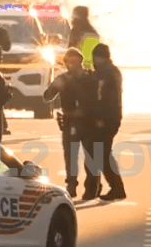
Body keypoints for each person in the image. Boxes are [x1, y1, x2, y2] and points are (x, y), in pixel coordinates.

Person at [44, 47, 91, 198]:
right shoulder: (63, 79)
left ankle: (92, 186)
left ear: (80, 60)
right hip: (70, 121)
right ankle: (72, 184)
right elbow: (47, 96)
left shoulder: (89, 77)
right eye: (68, 61)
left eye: (74, 60)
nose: (72, 63)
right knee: (71, 155)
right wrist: (55, 85)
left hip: (88, 121)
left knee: (90, 155)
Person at [83, 43, 126, 202]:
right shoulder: (112, 71)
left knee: (102, 153)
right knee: (102, 153)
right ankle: (114, 187)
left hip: (106, 119)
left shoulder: (105, 73)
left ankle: (117, 188)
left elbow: (100, 96)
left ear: (99, 57)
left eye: (95, 57)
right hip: (110, 117)